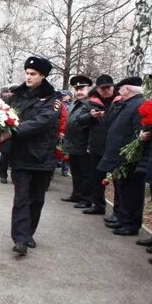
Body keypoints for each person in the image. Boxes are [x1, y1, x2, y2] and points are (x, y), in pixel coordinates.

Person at [0, 57, 61, 255]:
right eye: (27, 73)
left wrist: (14, 130)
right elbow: (2, 114)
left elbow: (43, 121)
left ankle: (28, 233)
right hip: (20, 154)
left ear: (43, 75)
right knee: (21, 198)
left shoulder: (53, 98)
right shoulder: (16, 96)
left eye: (33, 74)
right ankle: (20, 239)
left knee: (37, 199)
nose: (28, 77)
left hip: (42, 155)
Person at [98, 77, 149, 236]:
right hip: (119, 156)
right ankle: (121, 216)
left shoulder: (139, 105)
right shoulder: (126, 104)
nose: (118, 92)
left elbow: (138, 133)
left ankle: (130, 223)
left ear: (127, 89)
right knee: (122, 189)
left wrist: (132, 155)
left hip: (129, 158)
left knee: (132, 192)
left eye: (120, 88)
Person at [76, 74, 117, 215]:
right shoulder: (90, 102)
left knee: (117, 180)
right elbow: (79, 120)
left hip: (115, 147)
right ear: (97, 89)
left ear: (113, 87)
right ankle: (98, 205)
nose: (106, 91)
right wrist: (91, 116)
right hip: (96, 145)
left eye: (108, 88)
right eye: (102, 88)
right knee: (97, 177)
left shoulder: (120, 101)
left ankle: (117, 212)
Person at [60, 75, 92, 207]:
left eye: (82, 88)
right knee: (76, 172)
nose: (79, 91)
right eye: (77, 88)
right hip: (73, 144)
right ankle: (76, 194)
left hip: (84, 144)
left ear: (88, 88)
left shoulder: (90, 103)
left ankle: (86, 199)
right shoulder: (74, 103)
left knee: (85, 174)